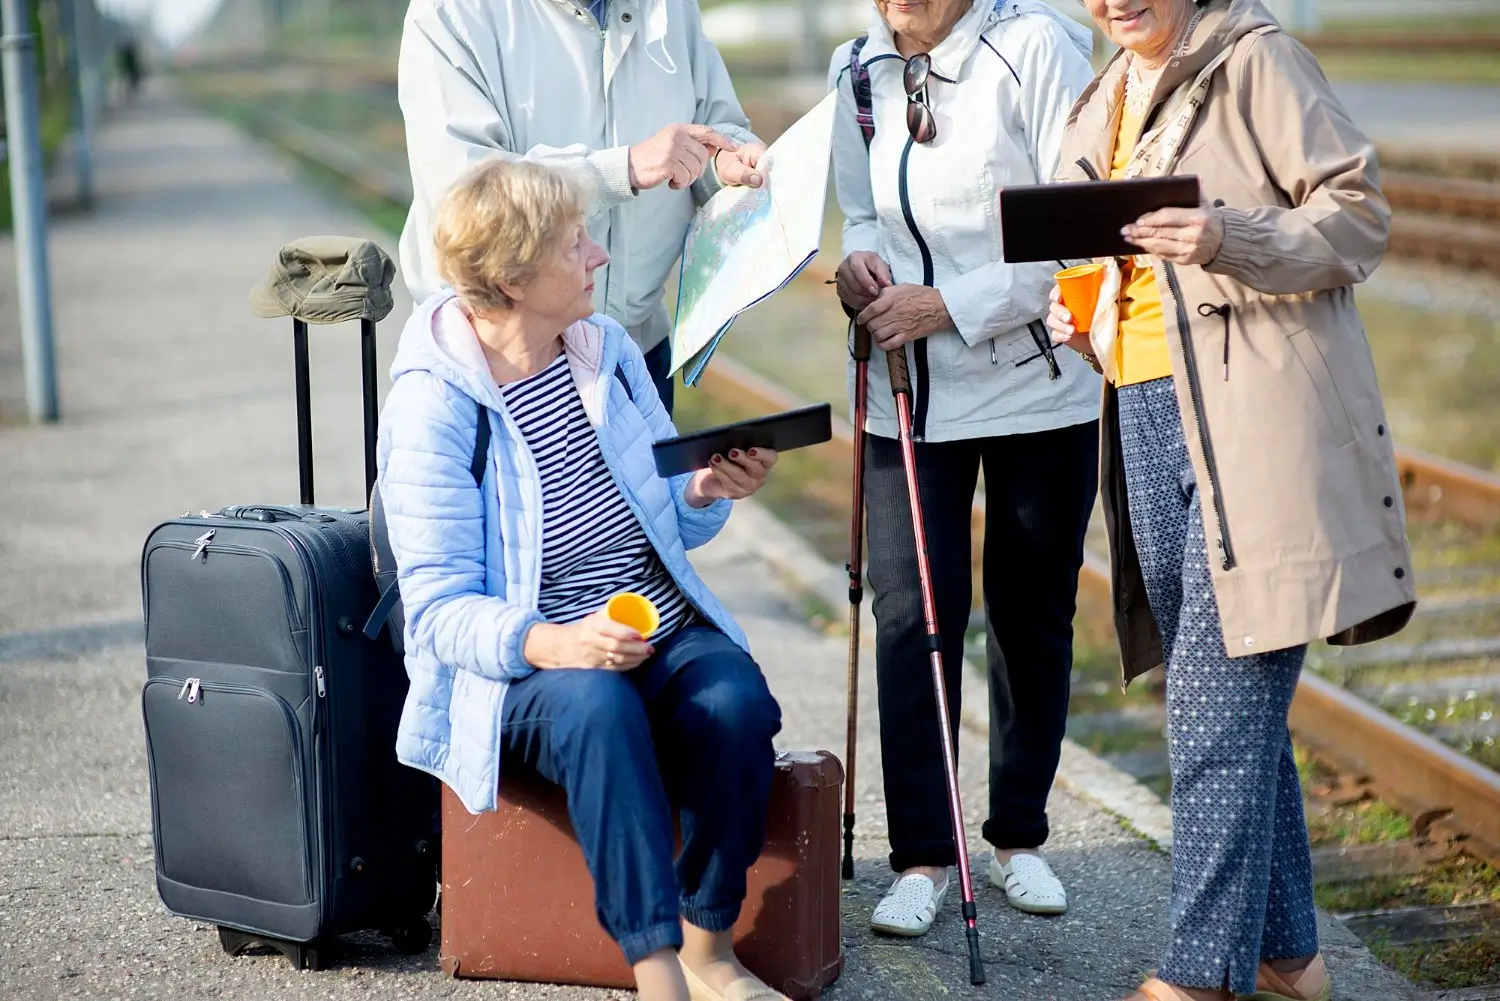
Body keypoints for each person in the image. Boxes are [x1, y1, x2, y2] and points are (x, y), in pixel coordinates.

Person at [1045, 1, 1416, 998]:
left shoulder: (1261, 62)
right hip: (1140, 415)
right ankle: (1291, 957)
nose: (1116, 0)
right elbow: (1104, 264)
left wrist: (1226, 236)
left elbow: (1359, 218)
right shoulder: (1101, 100)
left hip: (1258, 425)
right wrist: (1076, 308)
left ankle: (1200, 974)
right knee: (1228, 703)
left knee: (1213, 709)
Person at [376, 157, 788, 1001]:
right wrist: (559, 641)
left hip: (653, 624)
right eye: (576, 245)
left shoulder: (601, 351)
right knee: (595, 705)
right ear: (513, 279)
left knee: (736, 702)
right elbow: (440, 610)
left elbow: (666, 502)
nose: (599, 256)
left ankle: (713, 949)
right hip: (524, 660)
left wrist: (706, 487)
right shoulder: (434, 403)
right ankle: (657, 968)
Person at [829, 0, 1100, 936]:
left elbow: (1071, 235)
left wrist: (946, 304)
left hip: (1038, 384)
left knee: (1031, 611)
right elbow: (859, 209)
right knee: (909, 616)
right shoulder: (855, 71)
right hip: (905, 389)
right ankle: (921, 857)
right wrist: (858, 266)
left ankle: (1020, 836)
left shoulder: (1038, 47)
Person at [396, 0, 769, 415]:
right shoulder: (452, 12)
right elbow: (464, 196)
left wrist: (720, 163)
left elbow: (714, 127)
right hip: (502, 358)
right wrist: (620, 169)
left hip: (636, 356)